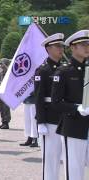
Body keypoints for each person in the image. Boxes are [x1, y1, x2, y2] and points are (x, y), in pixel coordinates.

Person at [51, 30, 89, 180]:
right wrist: (76, 108)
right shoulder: (64, 72)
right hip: (73, 127)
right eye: (83, 44)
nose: (87, 47)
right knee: (74, 171)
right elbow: (56, 102)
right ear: (72, 47)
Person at [34, 33, 65, 180]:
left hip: (64, 120)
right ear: (48, 48)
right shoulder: (43, 70)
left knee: (65, 158)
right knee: (51, 159)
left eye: (62, 46)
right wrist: (40, 122)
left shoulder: (64, 69)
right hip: (49, 120)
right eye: (57, 46)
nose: (61, 49)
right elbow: (39, 98)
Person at [0, 58, 11, 129]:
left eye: (2, 63)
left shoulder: (9, 73)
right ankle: (3, 121)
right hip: (1, 93)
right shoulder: (1, 73)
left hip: (6, 93)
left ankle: (6, 123)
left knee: (5, 108)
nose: (0, 65)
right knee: (1, 108)